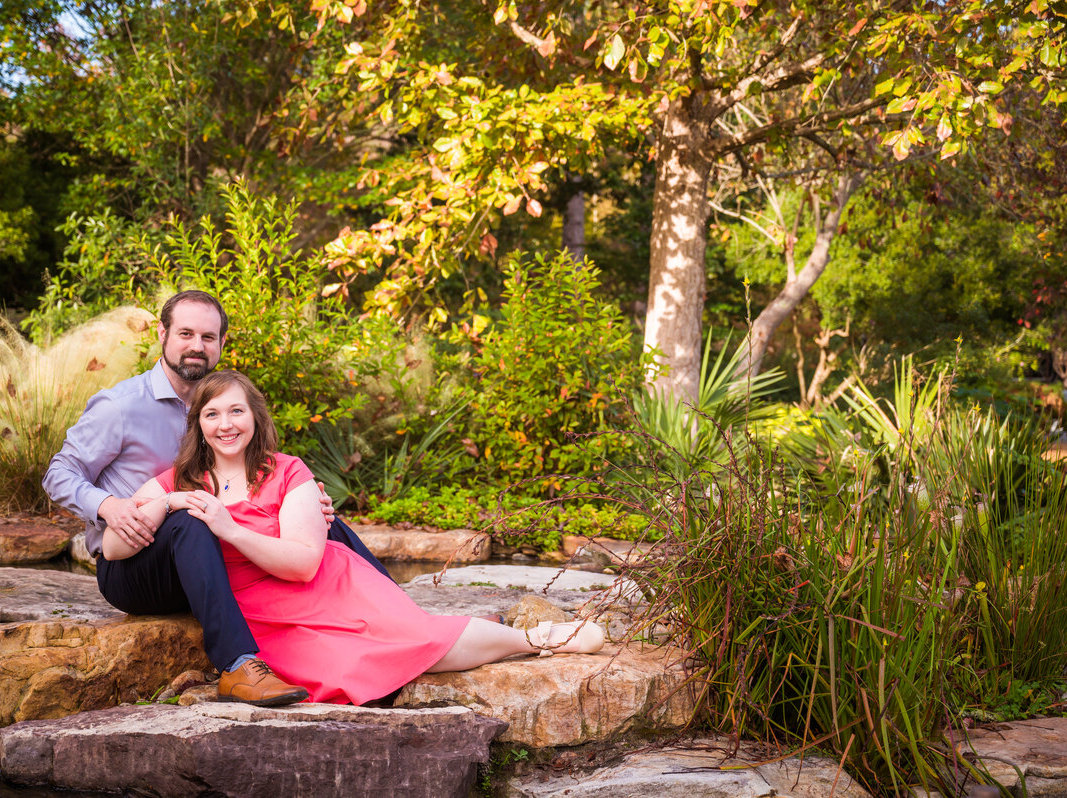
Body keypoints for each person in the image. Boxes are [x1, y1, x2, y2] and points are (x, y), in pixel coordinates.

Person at [102, 370, 605, 705]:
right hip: (257, 611)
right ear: (198, 424)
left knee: (419, 637)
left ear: (255, 417)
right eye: (212, 414)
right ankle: (519, 637)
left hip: (314, 585)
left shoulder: (287, 472)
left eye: (236, 411)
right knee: (361, 663)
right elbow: (112, 548)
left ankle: (536, 638)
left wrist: (229, 528)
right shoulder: (176, 479)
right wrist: (167, 503)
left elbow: (301, 562)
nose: (225, 424)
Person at [42, 290, 388, 706]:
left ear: (222, 344)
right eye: (185, 333)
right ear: (163, 334)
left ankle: (400, 617)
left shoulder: (221, 404)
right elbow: (58, 473)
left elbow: (253, 475)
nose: (196, 346)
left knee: (324, 522)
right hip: (137, 559)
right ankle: (238, 664)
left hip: (216, 557)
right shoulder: (120, 406)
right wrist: (109, 507)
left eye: (208, 337)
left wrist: (301, 501)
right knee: (189, 517)